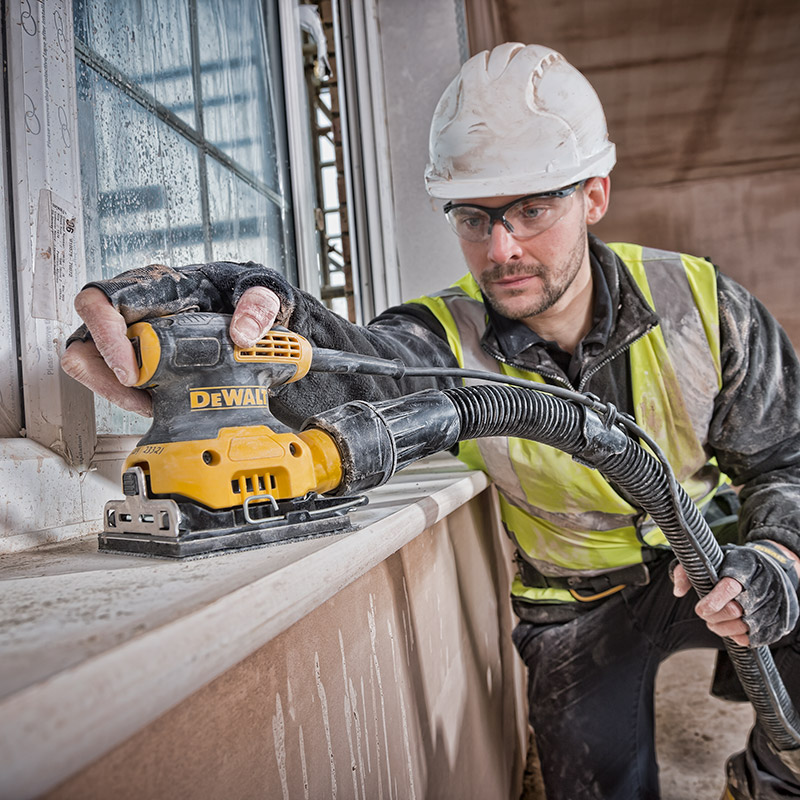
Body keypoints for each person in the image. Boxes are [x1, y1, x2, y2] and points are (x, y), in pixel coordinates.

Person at [61, 43, 800, 799]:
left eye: (534, 210)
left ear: (595, 196)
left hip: (711, 565)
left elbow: (789, 459)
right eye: (475, 218)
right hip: (573, 601)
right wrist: (231, 311)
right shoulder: (440, 337)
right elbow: (349, 373)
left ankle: (770, 780)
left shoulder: (701, 303)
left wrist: (778, 556)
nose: (502, 248)